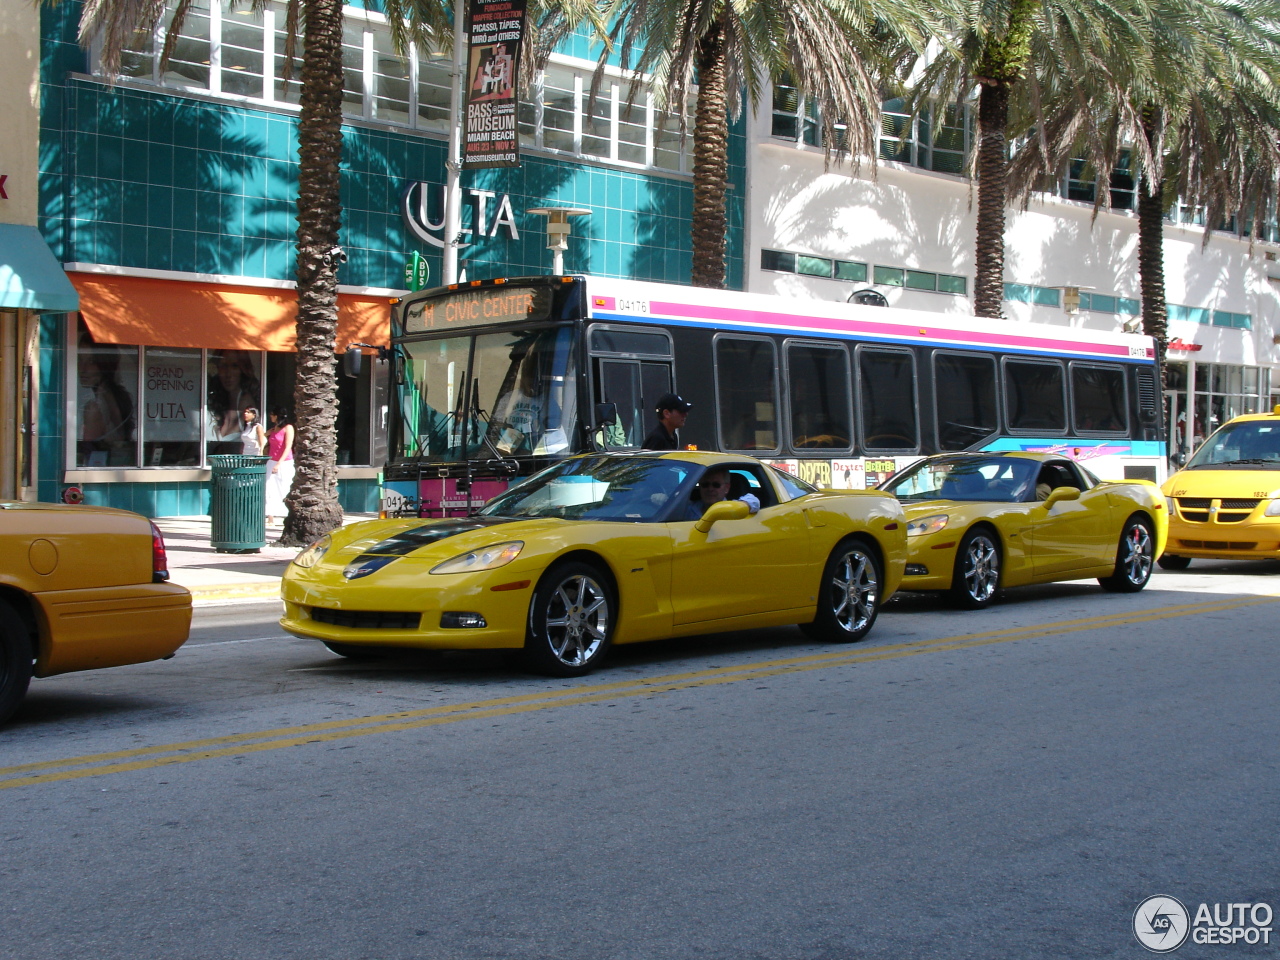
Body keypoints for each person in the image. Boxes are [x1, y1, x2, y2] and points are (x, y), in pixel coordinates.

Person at [208, 351, 260, 452]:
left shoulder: (244, 402)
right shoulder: (221, 402)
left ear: (243, 369)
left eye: (235, 366)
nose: (228, 373)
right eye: (223, 366)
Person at [685, 468, 761, 520]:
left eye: (716, 485)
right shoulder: (688, 509)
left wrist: (739, 507)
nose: (710, 489)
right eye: (705, 484)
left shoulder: (734, 508)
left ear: (727, 488)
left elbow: (754, 501)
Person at [264, 406, 295, 524]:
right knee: (269, 488)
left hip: (284, 462)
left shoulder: (288, 428)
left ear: (277, 416)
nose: (270, 417)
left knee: (284, 486)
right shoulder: (274, 428)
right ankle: (270, 516)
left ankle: (286, 514)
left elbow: (288, 447)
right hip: (271, 460)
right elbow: (263, 436)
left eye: (272, 415)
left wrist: (279, 463)